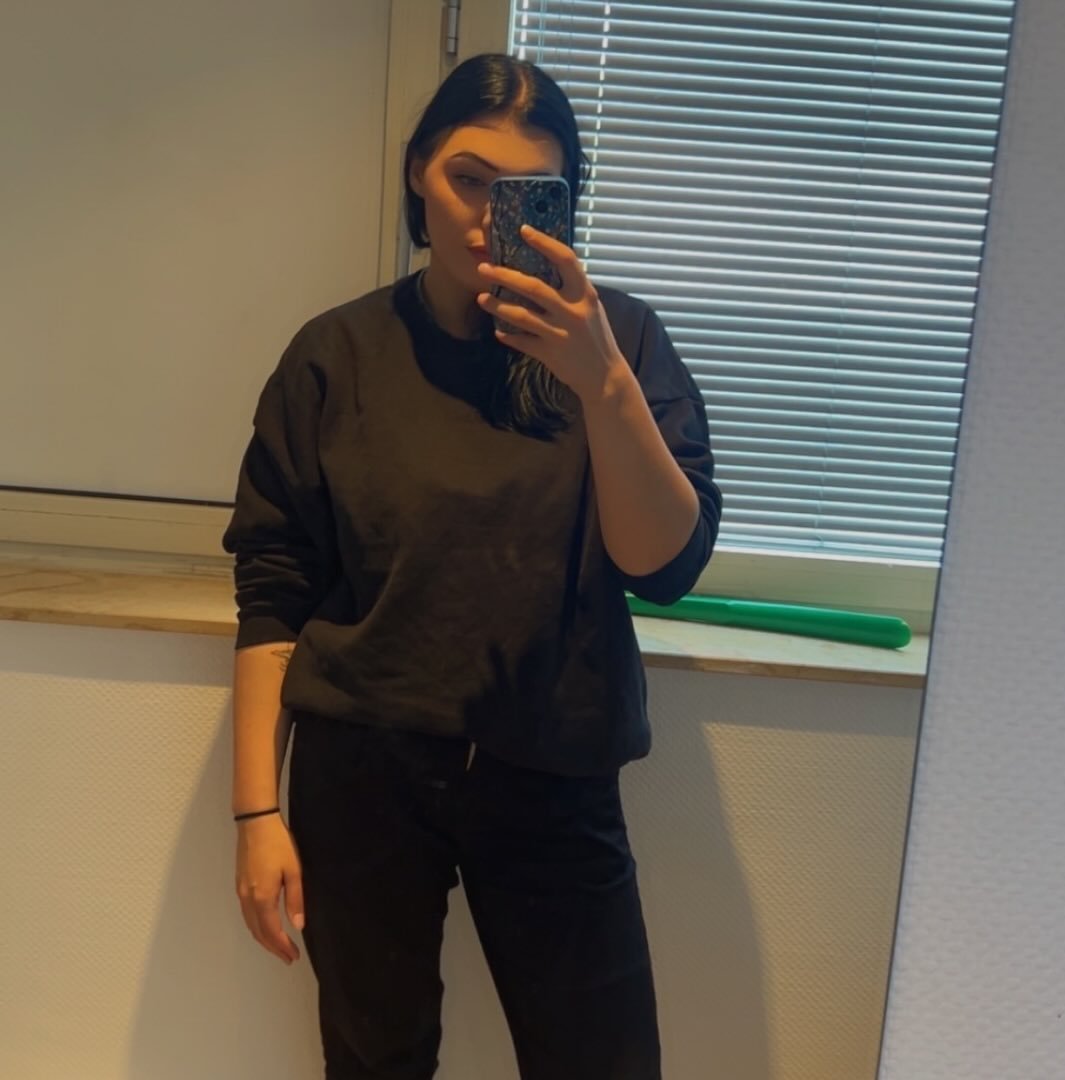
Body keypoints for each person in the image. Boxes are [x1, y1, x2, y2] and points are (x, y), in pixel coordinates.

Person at [223, 52, 721, 1080]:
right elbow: (273, 592)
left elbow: (662, 564)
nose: (491, 216)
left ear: (566, 203)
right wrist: (256, 813)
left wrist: (601, 383)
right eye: (468, 178)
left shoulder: (620, 341)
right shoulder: (335, 357)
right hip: (365, 770)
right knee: (376, 1062)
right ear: (417, 170)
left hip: (556, 766)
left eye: (529, 191)